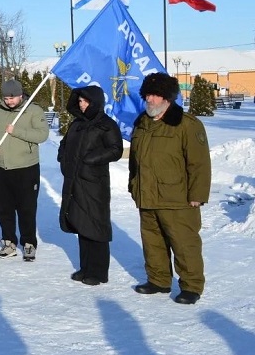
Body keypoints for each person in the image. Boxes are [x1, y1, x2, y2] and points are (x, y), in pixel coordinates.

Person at [129, 72, 211, 305]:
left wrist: (197, 195)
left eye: (156, 95)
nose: (151, 100)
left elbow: (199, 163)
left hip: (178, 198)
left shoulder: (186, 125)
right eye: (148, 95)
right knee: (152, 242)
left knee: (184, 243)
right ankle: (158, 280)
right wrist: (133, 185)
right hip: (147, 195)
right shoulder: (142, 123)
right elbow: (136, 160)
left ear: (168, 98)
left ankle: (191, 285)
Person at [58, 86, 123, 286]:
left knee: (96, 227)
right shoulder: (77, 124)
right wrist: (63, 156)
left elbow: (116, 149)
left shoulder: (106, 124)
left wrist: (91, 159)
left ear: (95, 102)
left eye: (85, 101)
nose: (81, 104)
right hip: (74, 181)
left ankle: (99, 272)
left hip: (94, 183)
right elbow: (65, 143)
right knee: (81, 224)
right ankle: (85, 267)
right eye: (79, 101)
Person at [0, 79, 49, 261]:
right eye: (6, 98)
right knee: (3, 209)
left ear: (20, 95)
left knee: (27, 208)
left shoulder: (33, 111)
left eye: (13, 98)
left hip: (26, 169)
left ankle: (28, 243)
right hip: (1, 169)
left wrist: (16, 131)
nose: (9, 101)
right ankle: (9, 242)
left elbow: (42, 134)